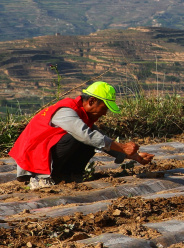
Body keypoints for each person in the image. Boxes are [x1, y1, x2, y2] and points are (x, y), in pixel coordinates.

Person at [10, 81, 154, 189]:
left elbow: (99, 139)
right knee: (79, 137)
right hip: (34, 159)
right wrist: (123, 147)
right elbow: (86, 135)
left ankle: (69, 176)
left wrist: (134, 156)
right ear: (91, 101)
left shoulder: (82, 116)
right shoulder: (66, 110)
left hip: (46, 154)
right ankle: (40, 178)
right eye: (104, 108)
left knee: (92, 138)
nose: (104, 113)